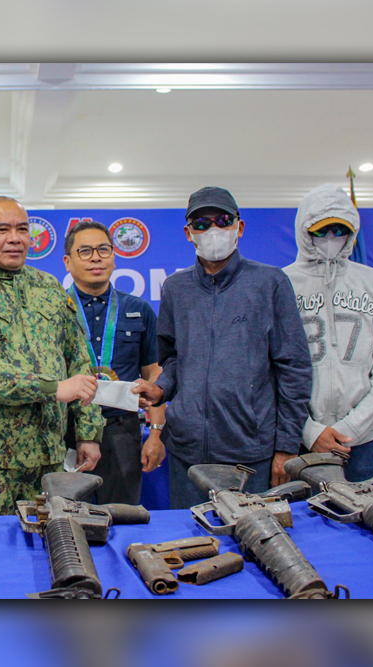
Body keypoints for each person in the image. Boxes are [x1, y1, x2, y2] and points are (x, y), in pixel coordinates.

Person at [133, 186, 312, 509]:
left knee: (255, 546)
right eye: (201, 224)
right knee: (191, 545)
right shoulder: (176, 288)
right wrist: (161, 390)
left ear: (239, 228)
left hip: (249, 454)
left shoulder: (270, 283)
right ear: (189, 233)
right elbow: (173, 358)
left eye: (222, 220)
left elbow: (295, 369)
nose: (212, 229)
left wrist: (286, 448)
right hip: (187, 453)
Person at [0, 196, 104, 515]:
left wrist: (87, 433)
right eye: (2, 229)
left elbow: (79, 362)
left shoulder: (50, 287)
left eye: (23, 229)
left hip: (50, 462)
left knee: (53, 550)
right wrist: (52, 389)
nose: (15, 238)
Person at [283, 184, 373, 481]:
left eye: (340, 230)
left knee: (364, 520)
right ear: (304, 230)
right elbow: (269, 367)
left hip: (360, 439)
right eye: (321, 231)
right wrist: (310, 430)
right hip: (300, 439)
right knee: (302, 523)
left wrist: (352, 427)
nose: (330, 239)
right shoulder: (281, 283)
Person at [61, 220, 166, 504]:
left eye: (103, 250)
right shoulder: (53, 311)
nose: (96, 257)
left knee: (121, 517)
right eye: (85, 251)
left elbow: (154, 373)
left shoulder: (138, 309)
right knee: (66, 519)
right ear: (67, 262)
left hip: (121, 429)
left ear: (114, 257)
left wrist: (155, 433)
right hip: (64, 430)